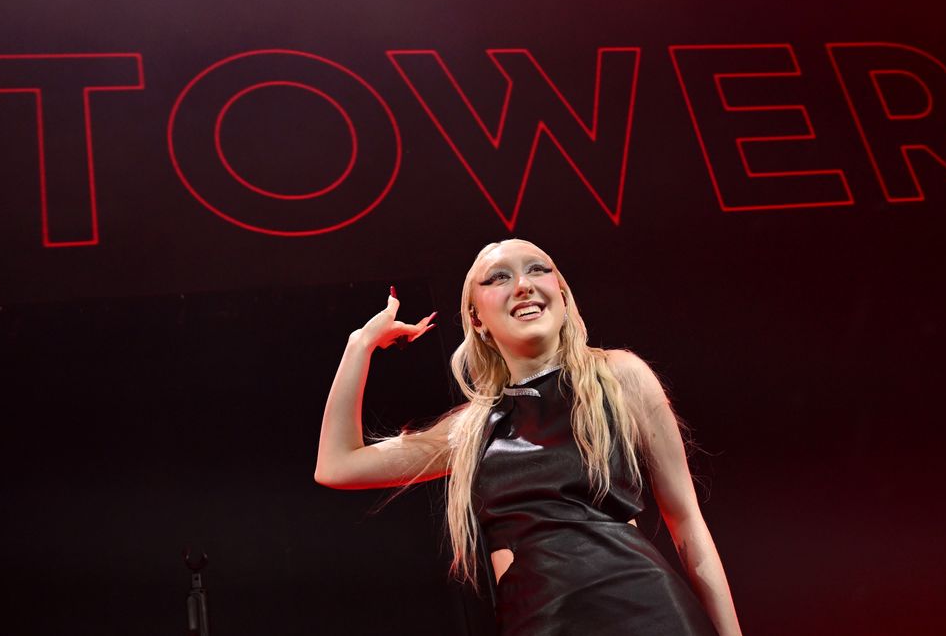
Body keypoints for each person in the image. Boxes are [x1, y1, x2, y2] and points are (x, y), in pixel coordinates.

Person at [315, 239, 742, 636]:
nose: (523, 285)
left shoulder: (619, 377)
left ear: (561, 293)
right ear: (476, 318)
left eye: (538, 270)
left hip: (648, 612)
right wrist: (361, 344)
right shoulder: (474, 428)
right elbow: (337, 465)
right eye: (498, 277)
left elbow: (686, 522)